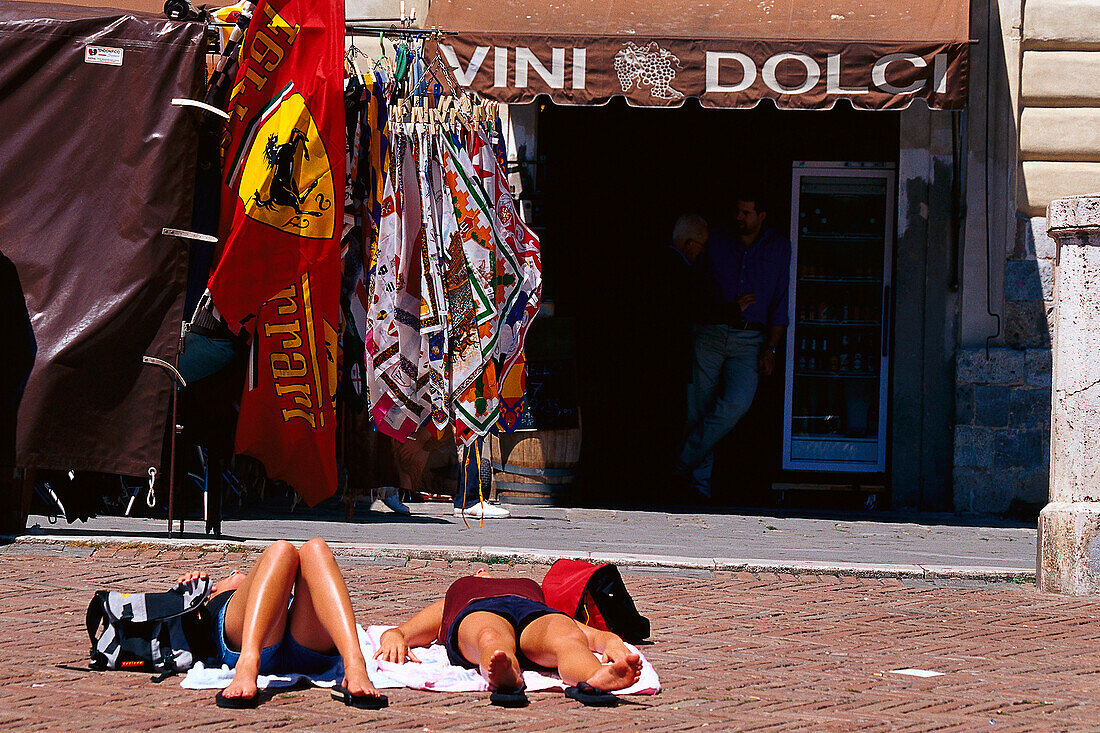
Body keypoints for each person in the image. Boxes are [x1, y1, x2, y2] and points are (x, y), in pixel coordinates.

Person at [676, 195, 791, 501]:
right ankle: (698, 488)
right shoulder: (717, 239)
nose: (739, 217)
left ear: (762, 214)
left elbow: (780, 302)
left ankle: (680, 463)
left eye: (746, 212)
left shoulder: (778, 247)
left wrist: (772, 349)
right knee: (697, 408)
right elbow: (695, 285)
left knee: (736, 404)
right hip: (710, 333)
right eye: (737, 211)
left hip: (750, 340)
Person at [179, 538, 385, 709]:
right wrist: (190, 589)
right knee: (282, 550)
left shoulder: (282, 595)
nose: (236, 573)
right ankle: (248, 663)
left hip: (301, 643)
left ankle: (355, 664)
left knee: (316, 548)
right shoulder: (219, 597)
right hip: (245, 641)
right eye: (232, 574)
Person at [374, 571, 642, 702]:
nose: (484, 571)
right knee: (490, 637)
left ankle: (595, 677)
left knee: (568, 638)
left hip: (532, 610)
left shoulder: (525, 584)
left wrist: (612, 643)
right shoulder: (463, 589)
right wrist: (395, 635)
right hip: (479, 608)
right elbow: (405, 631)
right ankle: (505, 673)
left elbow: (588, 633)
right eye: (478, 571)